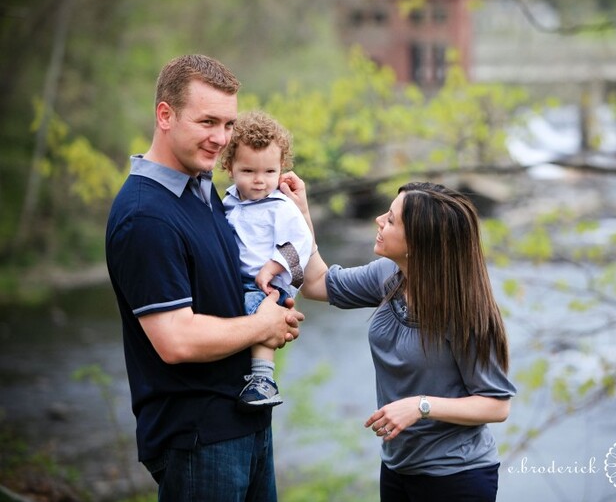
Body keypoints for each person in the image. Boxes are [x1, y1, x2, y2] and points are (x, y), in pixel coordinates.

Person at [105, 54, 304, 501]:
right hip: (197, 436)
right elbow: (175, 340)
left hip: (245, 421)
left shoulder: (201, 190)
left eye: (229, 124)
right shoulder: (146, 215)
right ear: (165, 115)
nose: (221, 139)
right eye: (208, 121)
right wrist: (263, 325)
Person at [293, 181, 516, 502]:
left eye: (392, 220)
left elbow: (497, 405)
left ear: (418, 242)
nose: (378, 220)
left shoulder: (464, 313)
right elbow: (315, 284)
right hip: (398, 468)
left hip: (457, 477)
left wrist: (421, 406)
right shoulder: (390, 277)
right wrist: (300, 210)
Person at [219, 110, 314, 409]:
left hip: (271, 283)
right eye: (249, 172)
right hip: (241, 279)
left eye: (269, 172)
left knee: (258, 311)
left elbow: (301, 242)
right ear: (229, 167)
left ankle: (264, 380)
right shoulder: (229, 202)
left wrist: (272, 267)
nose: (260, 181)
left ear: (281, 168)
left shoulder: (280, 207)